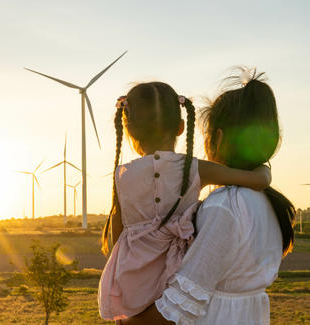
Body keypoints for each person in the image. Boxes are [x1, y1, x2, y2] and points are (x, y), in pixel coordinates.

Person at [121, 69, 295, 325]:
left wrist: (128, 321)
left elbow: (182, 301)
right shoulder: (269, 203)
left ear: (219, 138)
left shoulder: (224, 207)